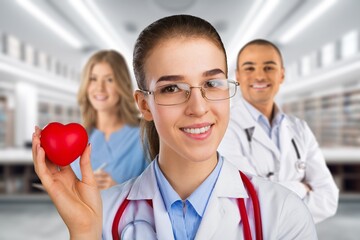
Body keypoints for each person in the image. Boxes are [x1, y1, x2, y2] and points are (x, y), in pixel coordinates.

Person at [32, 15, 317, 239]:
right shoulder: (101, 215)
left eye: (212, 84)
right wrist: (83, 232)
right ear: (144, 105)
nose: (198, 107)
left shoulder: (282, 213)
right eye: (171, 88)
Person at [218, 39, 339, 223]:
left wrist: (273, 201)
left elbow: (328, 199)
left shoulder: (299, 129)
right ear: (238, 76)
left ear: (281, 75)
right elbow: (249, 201)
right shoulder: (223, 127)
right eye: (249, 68)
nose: (259, 76)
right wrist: (300, 188)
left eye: (269, 67)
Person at [71, 50, 148, 190]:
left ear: (121, 85)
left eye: (109, 80)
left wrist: (118, 190)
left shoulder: (144, 136)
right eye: (93, 79)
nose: (100, 88)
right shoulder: (76, 140)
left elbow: (157, 194)